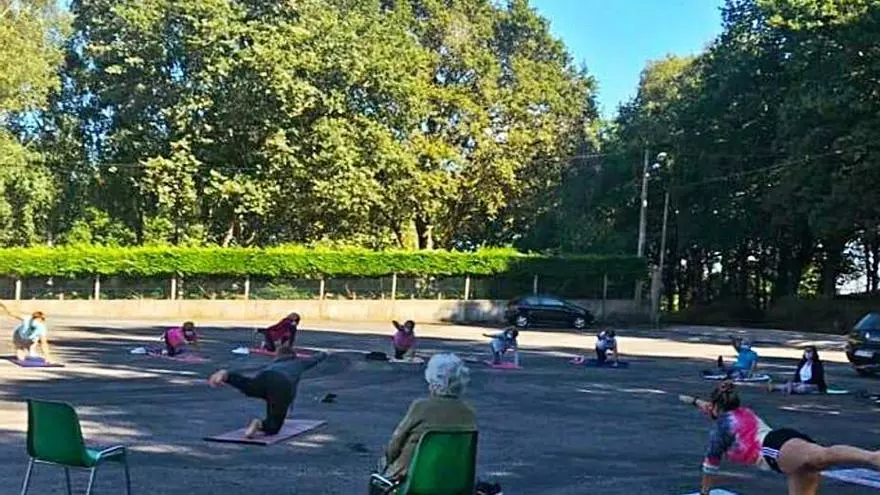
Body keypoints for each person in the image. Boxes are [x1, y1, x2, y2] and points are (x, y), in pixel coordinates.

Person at [680, 381, 880, 495]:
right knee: (815, 461)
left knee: (821, 456)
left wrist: (705, 493)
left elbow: (710, 466)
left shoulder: (721, 429)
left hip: (773, 448)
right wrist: (695, 401)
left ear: (715, 407)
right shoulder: (739, 412)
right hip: (783, 449)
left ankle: (872, 457)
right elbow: (712, 406)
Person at [370, 353, 477, 494]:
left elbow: (395, 443)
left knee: (379, 477)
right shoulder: (469, 412)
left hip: (412, 481)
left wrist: (389, 461)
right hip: (454, 482)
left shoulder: (421, 407)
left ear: (433, 382)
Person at [208, 345, 328, 438]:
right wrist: (325, 353)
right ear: (293, 355)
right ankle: (259, 424)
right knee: (274, 427)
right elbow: (315, 359)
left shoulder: (275, 363)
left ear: (278, 356)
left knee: (249, 388)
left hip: (266, 376)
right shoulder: (298, 362)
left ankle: (227, 376)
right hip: (282, 385)